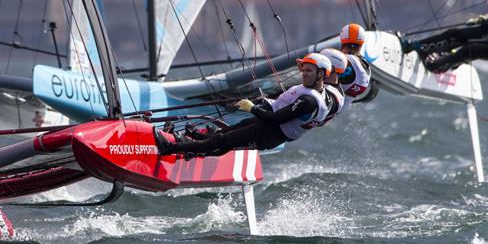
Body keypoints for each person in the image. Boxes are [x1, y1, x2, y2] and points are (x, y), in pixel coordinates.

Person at [155, 53, 332, 158]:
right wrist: (258, 102)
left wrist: (252, 107)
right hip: (267, 126)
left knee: (222, 141)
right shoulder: (311, 89)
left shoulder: (309, 101)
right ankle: (196, 143)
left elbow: (277, 118)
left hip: (271, 133)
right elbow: (280, 101)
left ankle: (170, 149)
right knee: (224, 132)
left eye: (309, 71)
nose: (304, 74)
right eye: (303, 70)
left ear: (322, 74)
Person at [338, 23, 376, 110]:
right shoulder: (366, 66)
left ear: (342, 40)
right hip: (341, 109)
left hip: (328, 106)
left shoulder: (343, 60)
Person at [318, 48, 347, 125]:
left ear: (331, 69)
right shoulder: (337, 89)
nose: (315, 66)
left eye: (319, 63)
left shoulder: (332, 95)